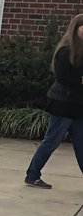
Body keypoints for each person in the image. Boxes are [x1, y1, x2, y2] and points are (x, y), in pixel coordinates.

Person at [24, 13, 83, 188]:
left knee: (81, 144)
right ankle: (32, 175)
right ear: (76, 29)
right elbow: (66, 78)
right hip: (62, 104)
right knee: (52, 141)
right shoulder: (65, 52)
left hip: (78, 106)